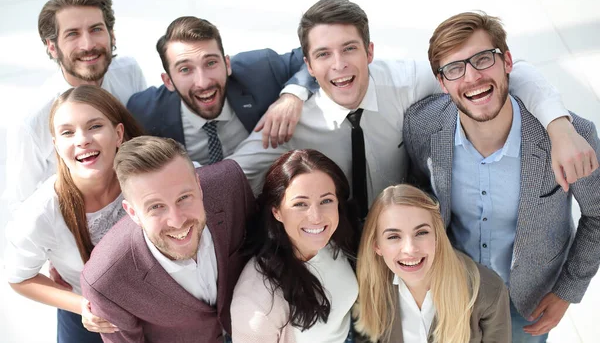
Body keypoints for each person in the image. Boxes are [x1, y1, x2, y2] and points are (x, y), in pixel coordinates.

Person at [229, 0, 597, 218]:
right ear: (308, 66)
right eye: (323, 54)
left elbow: (513, 73)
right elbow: (229, 176)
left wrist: (559, 127)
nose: (339, 64)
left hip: (401, 241)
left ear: (370, 52)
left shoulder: (404, 82)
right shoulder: (289, 122)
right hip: (329, 242)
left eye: (350, 48)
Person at [403, 11, 600, 342]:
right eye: (455, 68)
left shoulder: (571, 136)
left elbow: (598, 215)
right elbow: (416, 200)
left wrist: (567, 290)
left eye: (483, 59)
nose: (472, 77)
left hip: (526, 302)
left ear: (507, 61)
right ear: (442, 83)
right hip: (450, 289)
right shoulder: (421, 127)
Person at [4, 85, 144, 343]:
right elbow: (18, 277)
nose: (82, 140)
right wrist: (82, 306)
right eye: (68, 132)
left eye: (94, 127)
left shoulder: (148, 178)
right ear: (56, 145)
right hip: (89, 322)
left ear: (118, 133)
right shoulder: (41, 212)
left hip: (156, 311)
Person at [80, 136, 255, 343]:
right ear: (133, 212)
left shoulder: (229, 184)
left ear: (199, 187)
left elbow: (266, 248)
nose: (177, 221)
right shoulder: (106, 282)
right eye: (156, 207)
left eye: (183, 198)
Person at [4, 0, 147, 212]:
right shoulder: (32, 121)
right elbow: (20, 206)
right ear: (52, 47)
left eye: (96, 29)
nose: (88, 45)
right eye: (72, 34)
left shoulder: (129, 72)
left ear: (112, 35)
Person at [127, 16, 317, 165]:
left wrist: (292, 96)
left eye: (211, 63)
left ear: (227, 64)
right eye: (185, 69)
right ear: (168, 81)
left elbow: (313, 54)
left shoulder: (261, 69)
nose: (202, 83)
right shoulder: (143, 111)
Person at [231, 149, 360, 343]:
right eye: (300, 204)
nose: (316, 217)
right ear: (277, 212)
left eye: (326, 200)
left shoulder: (336, 239)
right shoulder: (258, 301)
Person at [354, 184, 511, 343]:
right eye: (393, 236)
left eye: (421, 233)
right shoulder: (369, 287)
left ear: (437, 236)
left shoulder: (488, 291)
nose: (410, 249)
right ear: (377, 246)